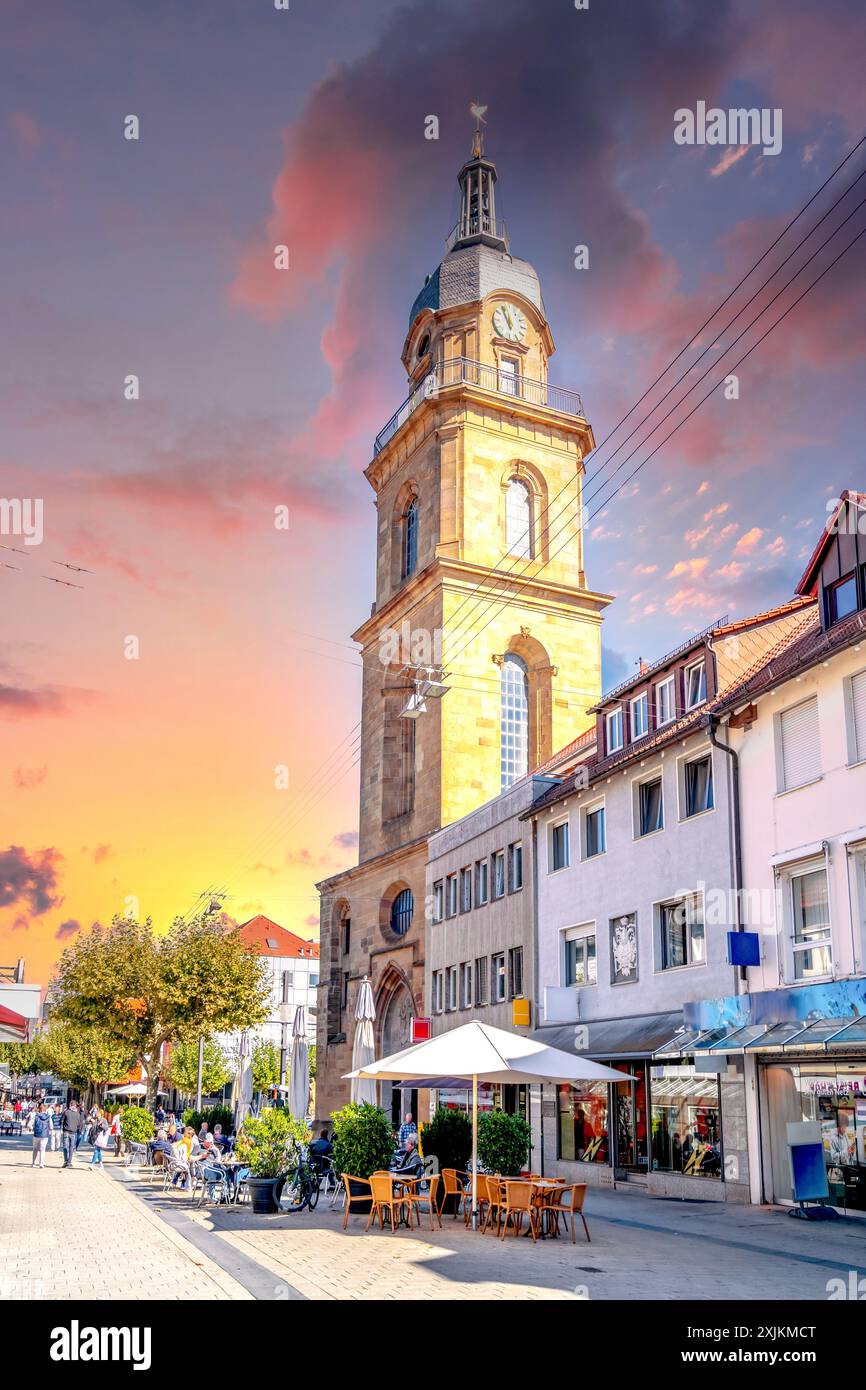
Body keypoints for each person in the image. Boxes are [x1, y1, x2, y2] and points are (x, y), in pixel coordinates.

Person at [61, 1100, 81, 1168]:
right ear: (75, 1106)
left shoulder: (66, 1112)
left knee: (65, 1146)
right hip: (73, 1132)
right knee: (71, 1147)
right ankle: (69, 1162)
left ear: (70, 1105)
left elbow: (62, 1120)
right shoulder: (78, 1114)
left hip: (66, 1131)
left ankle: (66, 1161)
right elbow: (79, 1124)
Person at [31, 1103, 51, 1169]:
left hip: (36, 1134)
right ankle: (41, 1164)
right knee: (42, 1150)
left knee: (35, 1149)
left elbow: (30, 1124)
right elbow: (51, 1126)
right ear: (45, 1109)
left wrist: (32, 1128)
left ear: (39, 1109)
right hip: (44, 1135)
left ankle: (34, 1163)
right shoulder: (48, 1117)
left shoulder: (36, 1116)